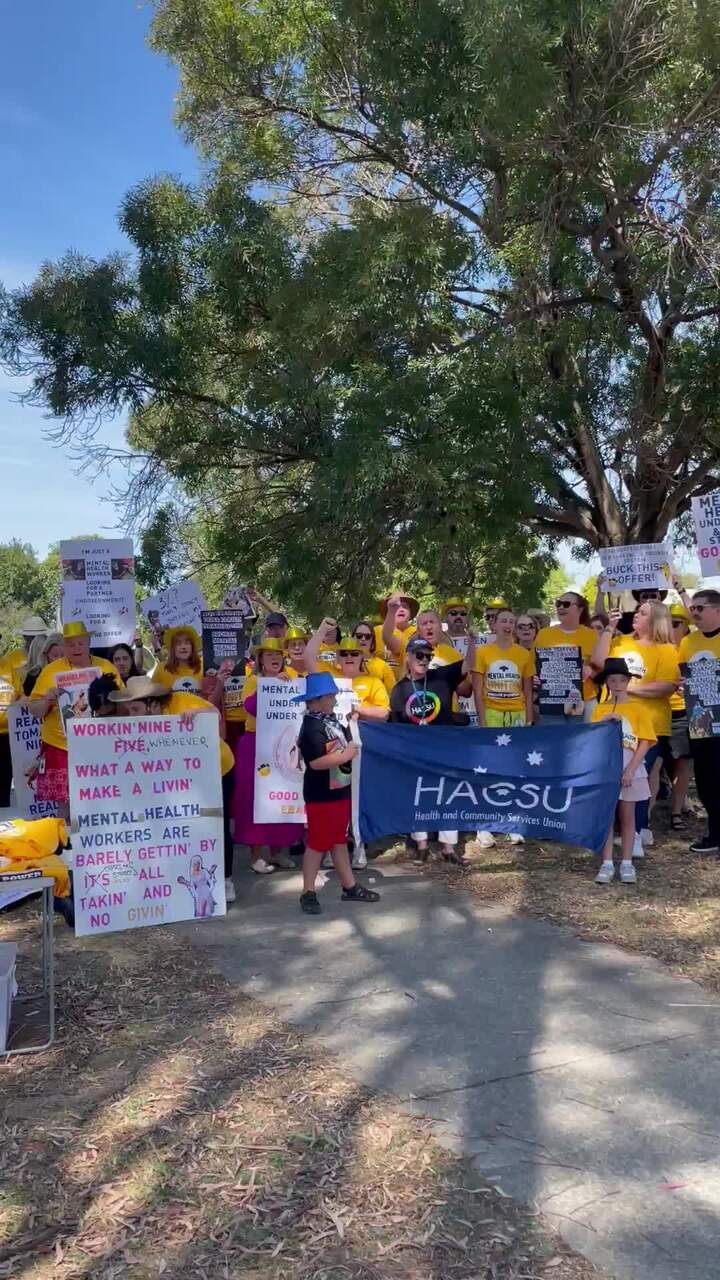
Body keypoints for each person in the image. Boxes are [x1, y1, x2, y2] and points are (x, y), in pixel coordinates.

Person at [107, 676, 238, 904]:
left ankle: (226, 879)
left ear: (152, 703)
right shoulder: (142, 725)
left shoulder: (181, 700)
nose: (132, 715)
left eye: (136, 709)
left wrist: (196, 714)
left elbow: (215, 715)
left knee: (218, 823)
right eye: (130, 710)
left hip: (219, 769)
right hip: (184, 780)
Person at [591, 601, 679, 855]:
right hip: (612, 721)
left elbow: (666, 686)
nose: (635, 615)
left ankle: (637, 832)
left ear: (655, 620)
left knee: (637, 779)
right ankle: (618, 831)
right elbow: (598, 662)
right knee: (614, 778)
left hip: (648, 725)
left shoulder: (666, 650)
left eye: (642, 613)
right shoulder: (621, 642)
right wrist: (609, 628)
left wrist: (629, 689)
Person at [293, 671, 381, 915]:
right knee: (317, 844)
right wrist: (344, 756)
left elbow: (344, 740)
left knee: (338, 841)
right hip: (321, 794)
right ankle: (307, 892)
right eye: (330, 696)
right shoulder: (312, 727)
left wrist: (352, 723)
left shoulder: (329, 721)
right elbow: (316, 762)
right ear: (316, 700)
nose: (334, 700)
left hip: (338, 789)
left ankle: (349, 886)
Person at [390, 633, 475, 864]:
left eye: (428, 656)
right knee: (419, 796)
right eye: (419, 655)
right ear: (408, 657)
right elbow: (396, 725)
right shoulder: (400, 690)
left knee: (449, 796)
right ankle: (422, 845)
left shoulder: (442, 677)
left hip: (445, 749)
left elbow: (468, 665)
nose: (425, 660)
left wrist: (473, 642)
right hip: (416, 753)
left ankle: (449, 847)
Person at [27, 622, 120, 817]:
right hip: (60, 745)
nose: (76, 648)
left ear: (88, 643)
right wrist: (47, 700)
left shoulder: (105, 666)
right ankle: (68, 843)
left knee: (103, 799)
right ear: (64, 646)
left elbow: (123, 702)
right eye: (70, 645)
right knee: (66, 803)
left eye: (80, 643)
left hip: (100, 743)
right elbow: (34, 710)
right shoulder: (51, 670)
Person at [232, 637, 298, 874]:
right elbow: (249, 708)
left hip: (281, 743)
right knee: (255, 800)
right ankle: (255, 856)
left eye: (278, 654)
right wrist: (272, 686)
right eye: (269, 654)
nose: (274, 658)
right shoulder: (253, 680)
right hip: (255, 743)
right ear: (260, 659)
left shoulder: (291, 679)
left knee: (280, 798)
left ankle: (277, 851)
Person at [472, 608, 533, 849]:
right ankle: (484, 826)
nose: (507, 625)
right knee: (489, 771)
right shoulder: (484, 652)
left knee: (515, 770)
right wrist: (483, 720)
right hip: (492, 714)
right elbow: (477, 689)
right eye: (503, 621)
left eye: (512, 621)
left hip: (516, 715)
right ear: (494, 625)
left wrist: (528, 719)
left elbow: (527, 689)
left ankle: (513, 823)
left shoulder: (523, 654)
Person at [591, 658, 656, 885]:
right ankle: (607, 863)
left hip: (631, 766)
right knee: (607, 817)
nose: (617, 684)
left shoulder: (639, 708)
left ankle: (627, 863)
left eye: (621, 679)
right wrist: (604, 723)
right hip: (605, 767)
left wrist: (630, 770)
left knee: (627, 817)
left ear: (628, 681)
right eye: (612, 680)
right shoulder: (600, 708)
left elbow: (645, 742)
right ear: (607, 682)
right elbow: (591, 740)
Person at [679, 589, 720, 854]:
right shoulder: (688, 642)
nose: (693, 613)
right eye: (692, 608)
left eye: (699, 608)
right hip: (701, 720)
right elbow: (684, 676)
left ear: (717, 609)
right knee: (706, 780)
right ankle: (715, 835)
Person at [534, 592, 597, 723]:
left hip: (584, 702)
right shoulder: (543, 634)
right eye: (558, 604)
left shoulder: (592, 635)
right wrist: (534, 677)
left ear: (580, 609)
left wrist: (591, 671)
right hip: (551, 703)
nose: (560, 607)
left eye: (566, 604)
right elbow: (533, 666)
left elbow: (602, 670)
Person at [665, 604, 693, 831]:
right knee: (654, 766)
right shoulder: (656, 647)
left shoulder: (691, 648)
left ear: (686, 627)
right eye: (668, 622)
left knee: (682, 764)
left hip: (683, 712)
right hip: (656, 712)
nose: (671, 627)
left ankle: (676, 812)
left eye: (676, 623)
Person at [154, 626, 203, 693]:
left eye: (187, 643)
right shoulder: (161, 668)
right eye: (178, 644)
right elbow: (155, 698)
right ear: (172, 648)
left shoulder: (203, 665)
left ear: (192, 647)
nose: (183, 647)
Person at [376, 592, 418, 668]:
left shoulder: (418, 633)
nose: (401, 609)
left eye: (405, 607)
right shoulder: (376, 631)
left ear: (410, 612)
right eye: (395, 607)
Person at [350, 621, 396, 692]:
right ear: (352, 638)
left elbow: (393, 695)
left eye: (367, 636)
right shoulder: (343, 664)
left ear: (372, 640)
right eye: (359, 636)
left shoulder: (383, 667)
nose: (363, 639)